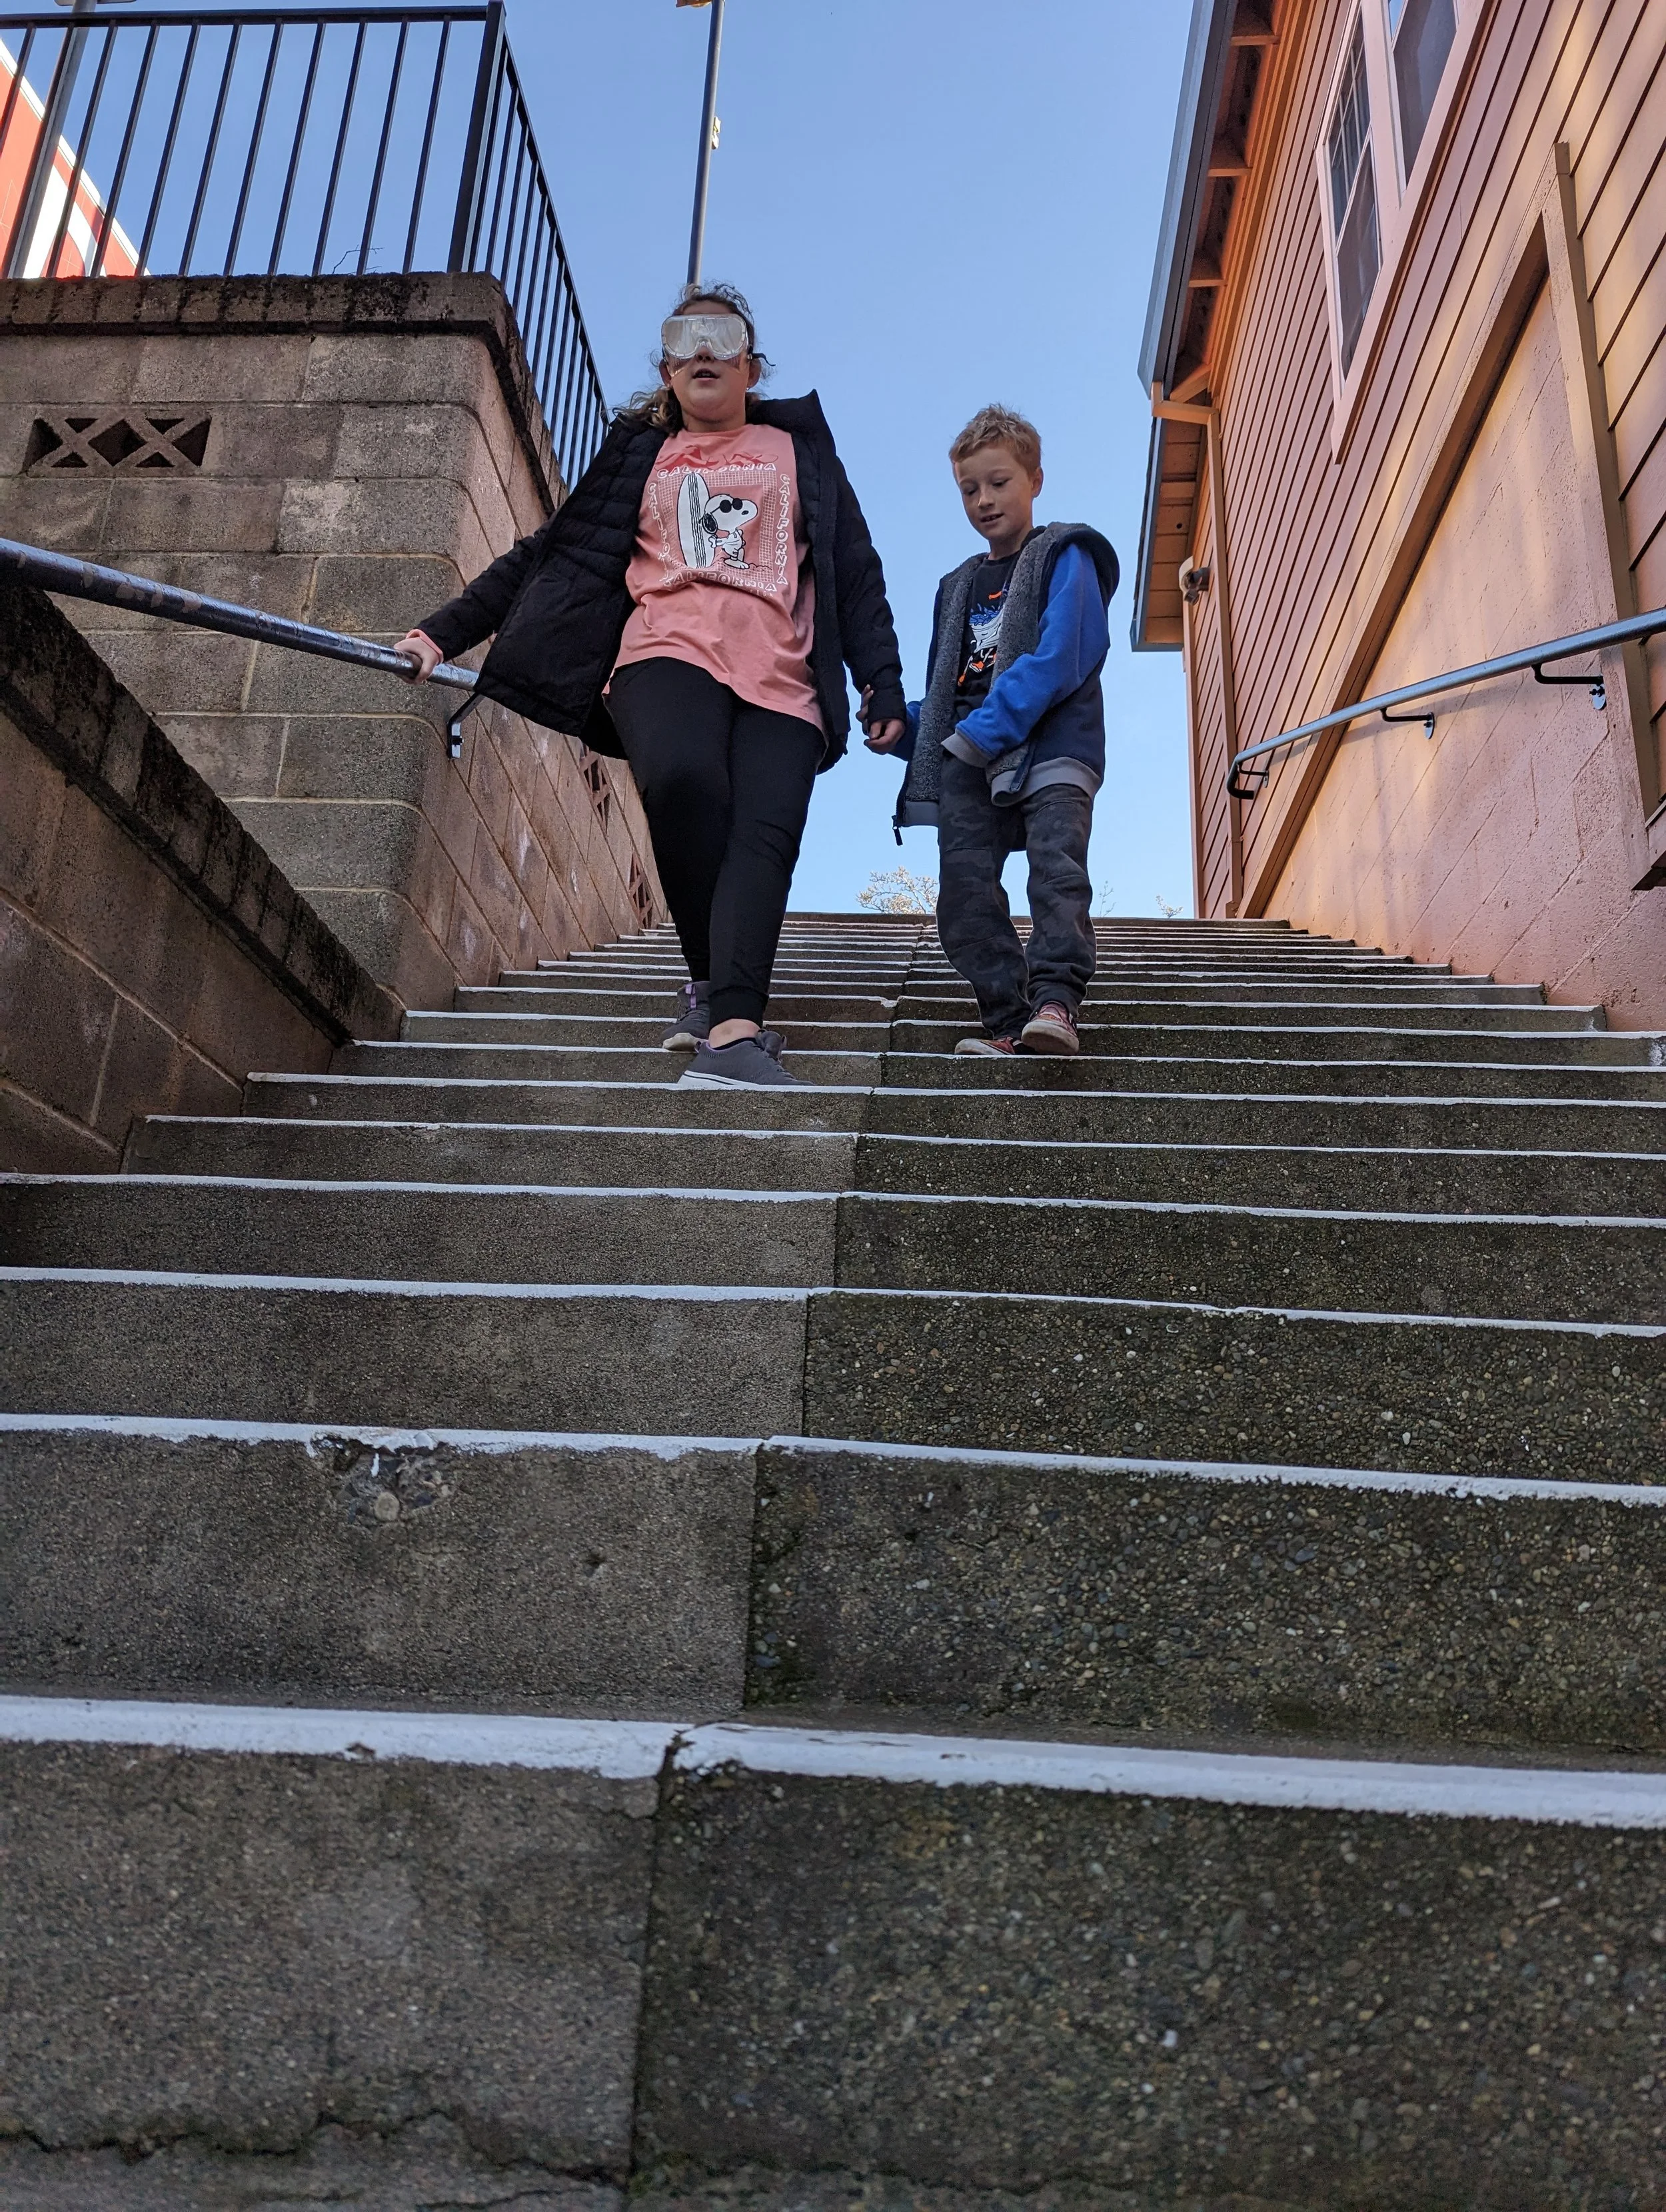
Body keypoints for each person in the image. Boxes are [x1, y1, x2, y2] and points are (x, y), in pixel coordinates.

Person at [396, 282, 906, 1089]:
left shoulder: (801, 452)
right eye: (684, 338)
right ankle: (707, 977)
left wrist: (880, 679)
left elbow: (856, 572)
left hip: (785, 679)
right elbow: (544, 554)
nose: (703, 349)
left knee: (762, 839)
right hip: (662, 649)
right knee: (681, 777)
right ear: (668, 369)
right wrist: (439, 632)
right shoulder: (642, 454)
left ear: (750, 364)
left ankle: (733, 1030)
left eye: (722, 335)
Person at [871, 404, 1118, 1056]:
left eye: (999, 481)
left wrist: (984, 730)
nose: (984, 499)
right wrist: (902, 728)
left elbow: (1065, 653)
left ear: (1035, 478)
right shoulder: (958, 585)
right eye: (969, 489)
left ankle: (1056, 1004)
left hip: (1053, 744)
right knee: (962, 896)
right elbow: (951, 696)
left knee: (1055, 874)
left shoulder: (1066, 553)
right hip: (972, 754)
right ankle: (1010, 1023)